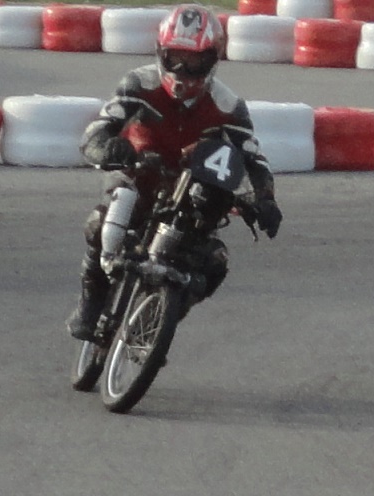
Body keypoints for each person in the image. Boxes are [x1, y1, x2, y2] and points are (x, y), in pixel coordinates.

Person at [65, 4, 283, 340]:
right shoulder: (138, 84)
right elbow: (97, 130)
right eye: (175, 57)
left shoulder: (228, 106)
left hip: (191, 192)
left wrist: (265, 199)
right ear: (160, 53)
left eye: (193, 61)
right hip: (137, 176)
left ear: (212, 59)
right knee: (101, 222)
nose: (182, 70)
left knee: (214, 262)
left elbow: (254, 158)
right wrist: (108, 148)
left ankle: (158, 319)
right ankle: (91, 300)